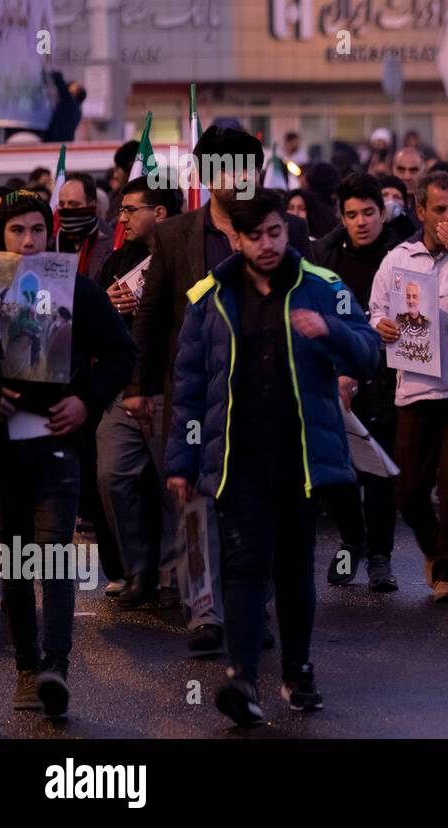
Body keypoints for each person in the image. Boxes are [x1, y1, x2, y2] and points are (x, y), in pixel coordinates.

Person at [165, 188, 380, 726]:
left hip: (300, 457)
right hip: (238, 459)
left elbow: (371, 351)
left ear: (287, 231)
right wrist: (182, 460)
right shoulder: (210, 296)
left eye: (275, 233)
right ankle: (241, 679)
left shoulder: (322, 286)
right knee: (244, 569)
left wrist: (330, 330)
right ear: (235, 239)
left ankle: (298, 671)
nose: (267, 245)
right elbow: (190, 384)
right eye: (255, 236)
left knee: (292, 569)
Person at [126, 124, 311, 655]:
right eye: (220, 166)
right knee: (192, 498)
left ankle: (255, 607)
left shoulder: (289, 230)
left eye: (242, 165)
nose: (232, 177)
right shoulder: (174, 234)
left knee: (264, 502)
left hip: (268, 392)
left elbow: (315, 299)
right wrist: (139, 385)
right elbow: (153, 312)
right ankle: (205, 608)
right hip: (193, 390)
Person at [0, 190, 137, 718]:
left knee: (54, 559)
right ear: (1, 235)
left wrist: (86, 399)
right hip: (4, 456)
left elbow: (123, 353)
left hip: (58, 448)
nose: (28, 241)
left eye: (36, 230)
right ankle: (27, 669)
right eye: (16, 231)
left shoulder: (76, 289)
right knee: (14, 562)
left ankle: (56, 667)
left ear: (50, 232)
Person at [368, 170, 448, 602]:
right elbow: (374, 310)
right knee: (408, 489)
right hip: (413, 386)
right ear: (420, 210)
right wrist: (383, 326)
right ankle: (432, 546)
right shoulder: (398, 258)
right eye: (440, 209)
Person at [311, 174, 408, 591]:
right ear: (342, 217)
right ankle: (353, 542)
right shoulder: (324, 258)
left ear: (382, 213)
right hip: (335, 378)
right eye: (352, 214)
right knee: (341, 473)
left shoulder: (402, 253)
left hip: (388, 376)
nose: (362, 221)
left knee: (379, 473)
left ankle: (381, 558)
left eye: (369, 212)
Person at [94, 178, 182, 610]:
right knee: (112, 474)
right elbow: (87, 324)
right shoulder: (117, 260)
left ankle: (173, 577)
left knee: (175, 486)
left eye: (131, 210)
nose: (122, 218)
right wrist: (104, 306)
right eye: (121, 210)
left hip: (172, 389)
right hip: (124, 390)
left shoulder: (187, 257)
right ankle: (138, 569)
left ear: (160, 212)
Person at [54, 171, 114, 282]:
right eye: (62, 204)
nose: (66, 209)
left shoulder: (111, 246)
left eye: (73, 204)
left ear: (92, 205)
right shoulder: (51, 243)